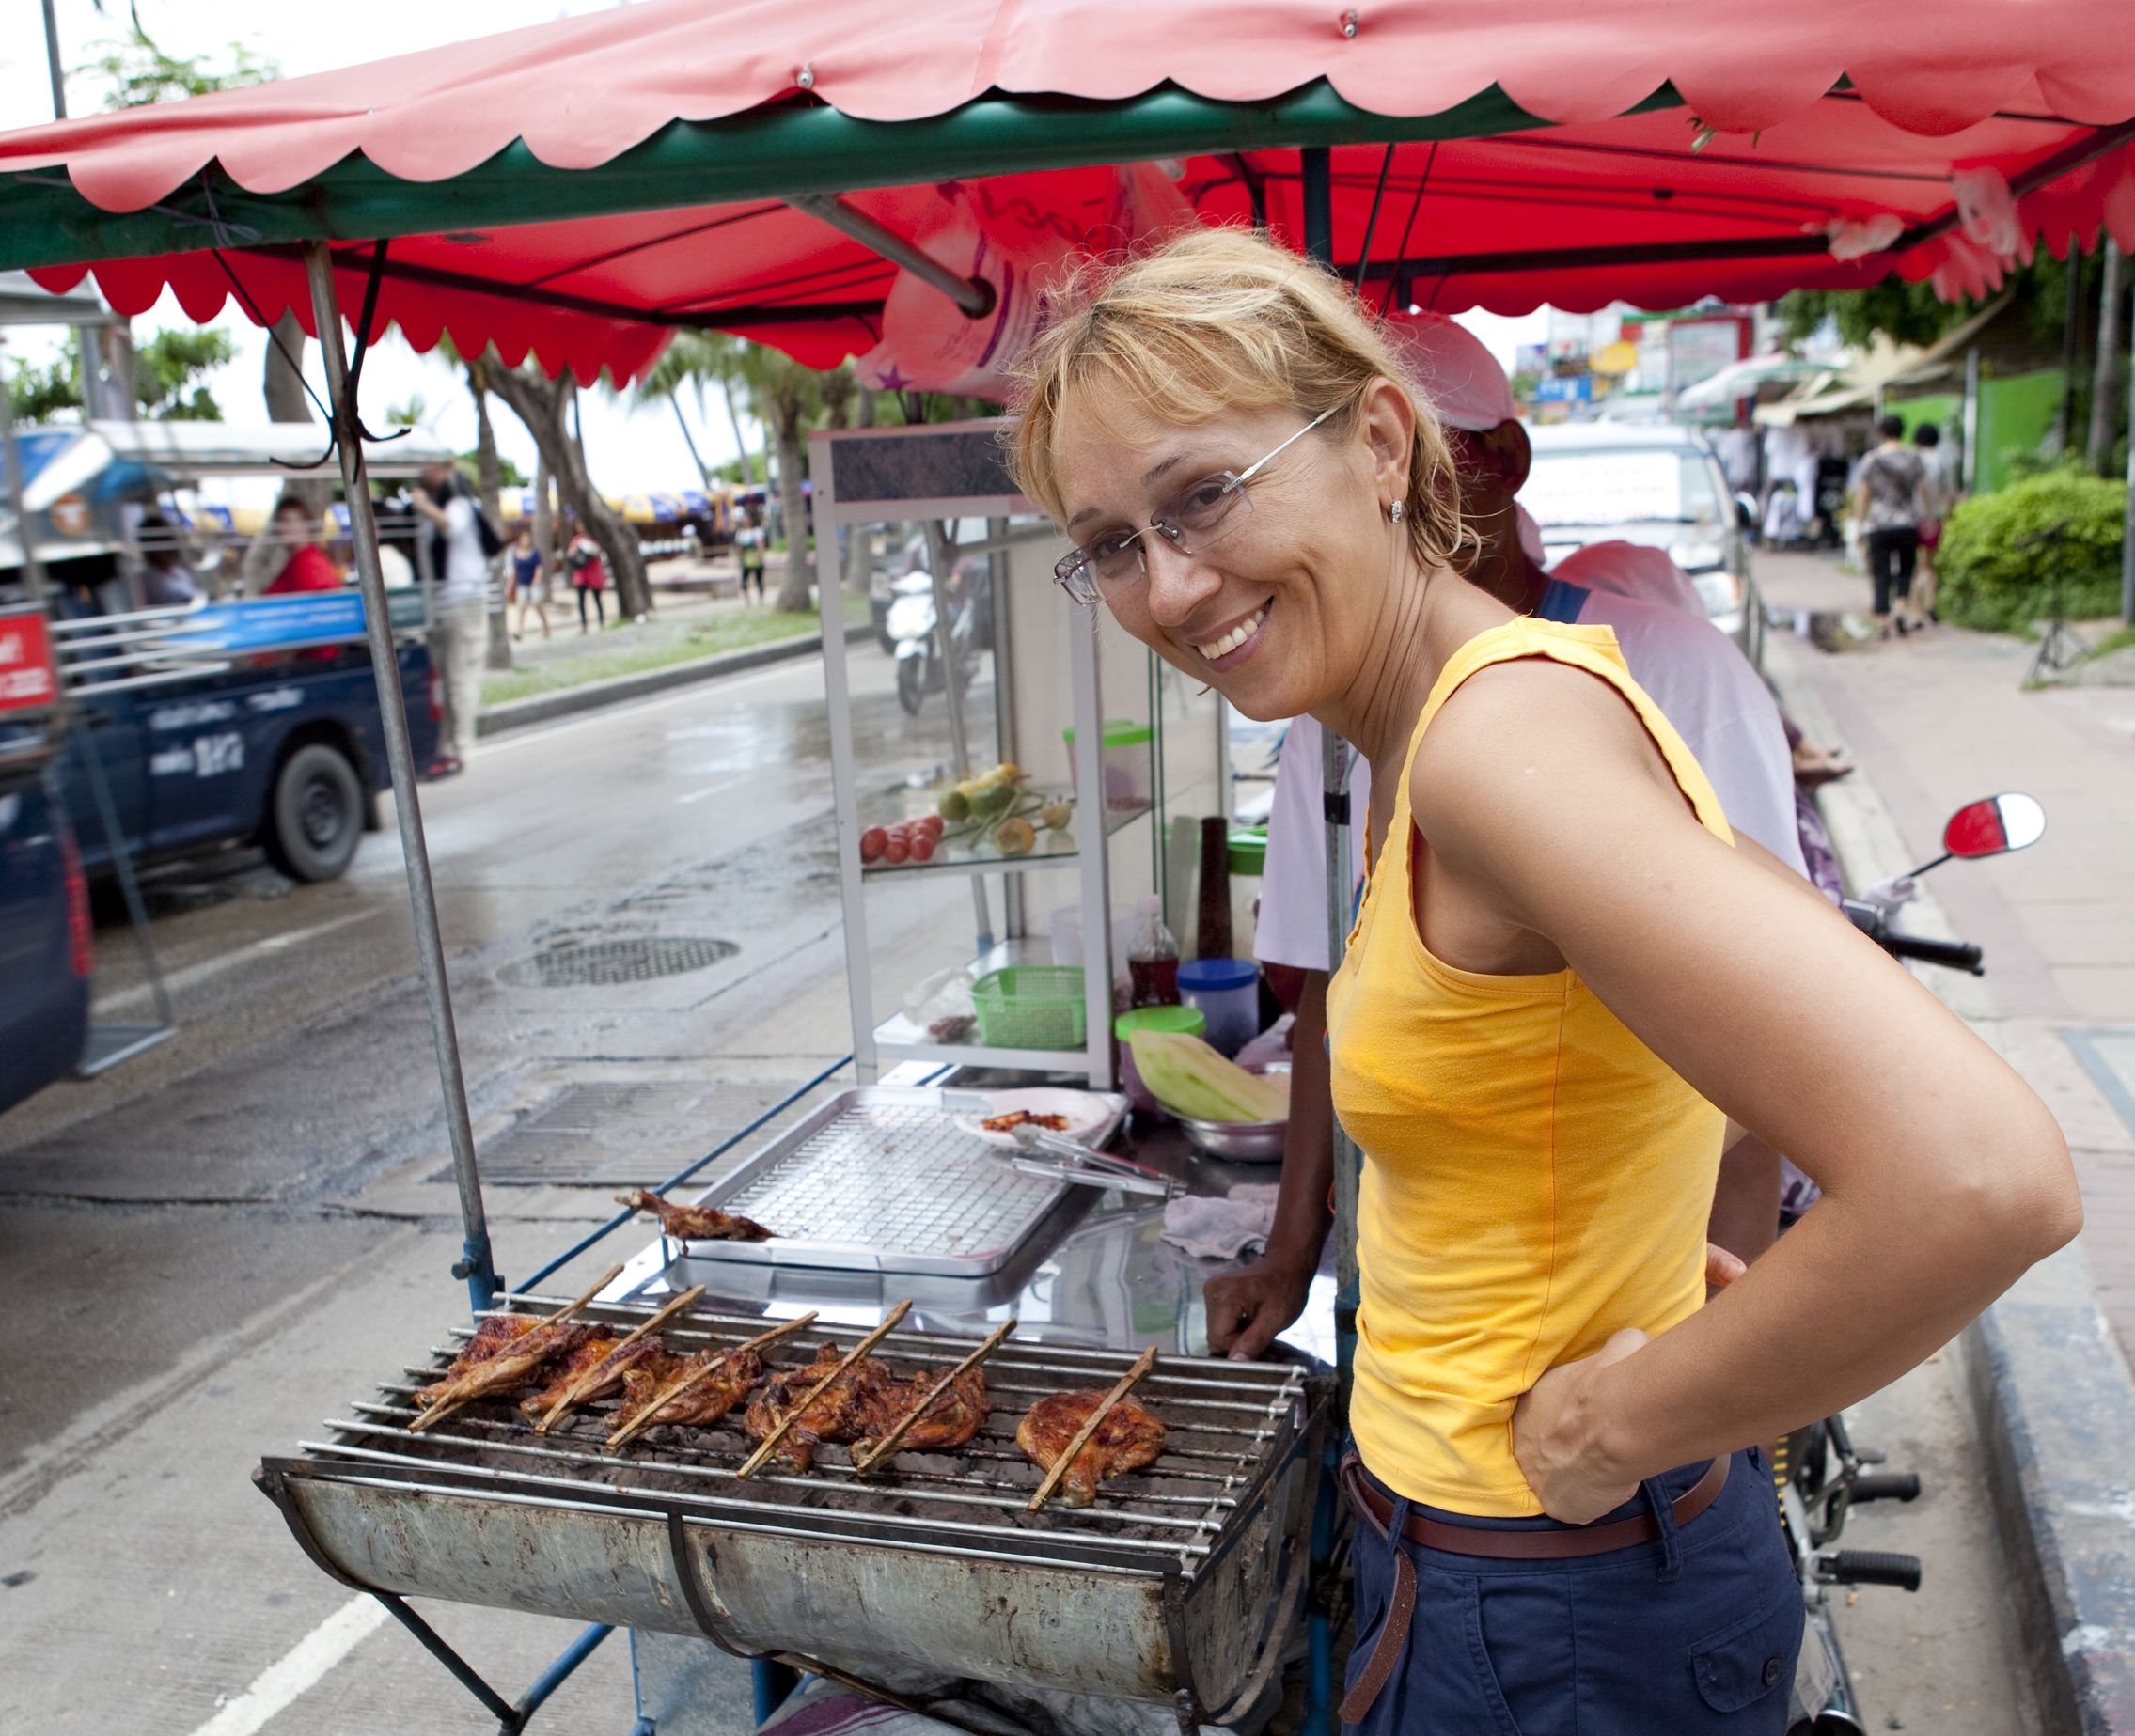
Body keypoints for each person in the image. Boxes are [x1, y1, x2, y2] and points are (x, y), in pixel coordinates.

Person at [1008, 227, 2079, 1735]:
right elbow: (1677, 1044)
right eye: (1110, 542)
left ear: (1378, 441)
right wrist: (1671, 1275)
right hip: (1498, 1572)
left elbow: (1977, 1176)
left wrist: (1621, 1414)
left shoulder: (1489, 746)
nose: (1170, 587)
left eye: (1203, 493)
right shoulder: (1435, 722)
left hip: (1552, 1601)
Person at [1243, 312, 1810, 1314]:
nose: (1389, 497)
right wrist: (1290, 1259)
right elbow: (1326, 1002)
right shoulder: (1323, 725)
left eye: (1419, 455)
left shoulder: (1674, 668)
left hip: (1659, 1329)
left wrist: (1698, 1390)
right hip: (1430, 1331)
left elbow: (1778, 1036)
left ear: (1505, 461)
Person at [410, 461, 491, 779]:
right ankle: (445, 746)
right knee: (444, 681)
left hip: (463, 603)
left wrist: (423, 506)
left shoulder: (458, 506)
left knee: (458, 679)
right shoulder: (436, 510)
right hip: (443, 606)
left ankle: (460, 748)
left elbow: (450, 527)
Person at [1851, 414, 1930, 637]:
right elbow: (1924, 490)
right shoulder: (1913, 458)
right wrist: (1929, 517)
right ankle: (1901, 607)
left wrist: (1858, 524)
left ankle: (1882, 619)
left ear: (1881, 433)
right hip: (1907, 522)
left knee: (1880, 573)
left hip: (1879, 524)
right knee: (1907, 570)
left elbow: (1863, 496)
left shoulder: (1872, 459)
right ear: (1902, 431)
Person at [1911, 422, 1954, 625]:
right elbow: (1948, 496)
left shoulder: (1912, 460)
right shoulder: (1941, 462)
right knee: (1929, 565)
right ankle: (1930, 605)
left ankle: (1917, 610)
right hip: (1933, 519)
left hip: (1911, 519)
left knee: (1915, 567)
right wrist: (1947, 516)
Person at [261, 498, 343, 596]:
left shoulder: (309, 562)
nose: (281, 529)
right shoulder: (298, 561)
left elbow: (320, 602)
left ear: (306, 526)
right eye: (279, 522)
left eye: (287, 522)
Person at [133, 511, 196, 607]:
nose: (174, 547)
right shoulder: (145, 579)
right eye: (166, 539)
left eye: (173, 539)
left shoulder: (181, 573)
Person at [562, 519, 608, 633]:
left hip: (593, 571)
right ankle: (584, 625)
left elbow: (599, 554)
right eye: (578, 525)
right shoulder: (576, 540)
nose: (580, 527)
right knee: (581, 600)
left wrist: (590, 549)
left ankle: (602, 621)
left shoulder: (592, 539)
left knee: (597, 598)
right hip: (581, 573)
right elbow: (570, 554)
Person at [510, 524, 552, 640]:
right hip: (522, 584)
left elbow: (539, 569)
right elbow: (514, 570)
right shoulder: (516, 553)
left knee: (537, 604)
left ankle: (546, 626)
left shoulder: (535, 553)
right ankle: (519, 631)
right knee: (521, 608)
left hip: (534, 584)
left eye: (528, 538)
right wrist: (510, 585)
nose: (526, 540)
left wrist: (535, 582)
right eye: (524, 538)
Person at [735, 508, 767, 602]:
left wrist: (759, 555)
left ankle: (760, 598)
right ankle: (747, 599)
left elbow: (760, 545)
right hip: (746, 558)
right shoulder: (740, 533)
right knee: (744, 579)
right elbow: (739, 547)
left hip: (755, 557)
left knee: (759, 579)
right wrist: (740, 557)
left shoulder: (757, 531)